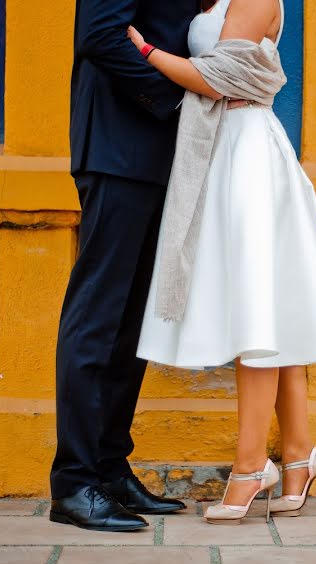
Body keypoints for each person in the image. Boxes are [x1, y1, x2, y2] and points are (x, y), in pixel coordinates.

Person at [129, 0, 316, 524]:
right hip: (219, 149)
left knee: (255, 310)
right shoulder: (210, 1)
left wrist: (142, 47)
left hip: (249, 152)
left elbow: (216, 79)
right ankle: (299, 457)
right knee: (267, 312)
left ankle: (253, 467)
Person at [48, 0, 202, 532]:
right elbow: (100, 35)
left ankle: (110, 469)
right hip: (116, 146)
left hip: (158, 155)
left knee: (131, 323)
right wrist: (177, 99)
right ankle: (74, 482)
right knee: (98, 315)